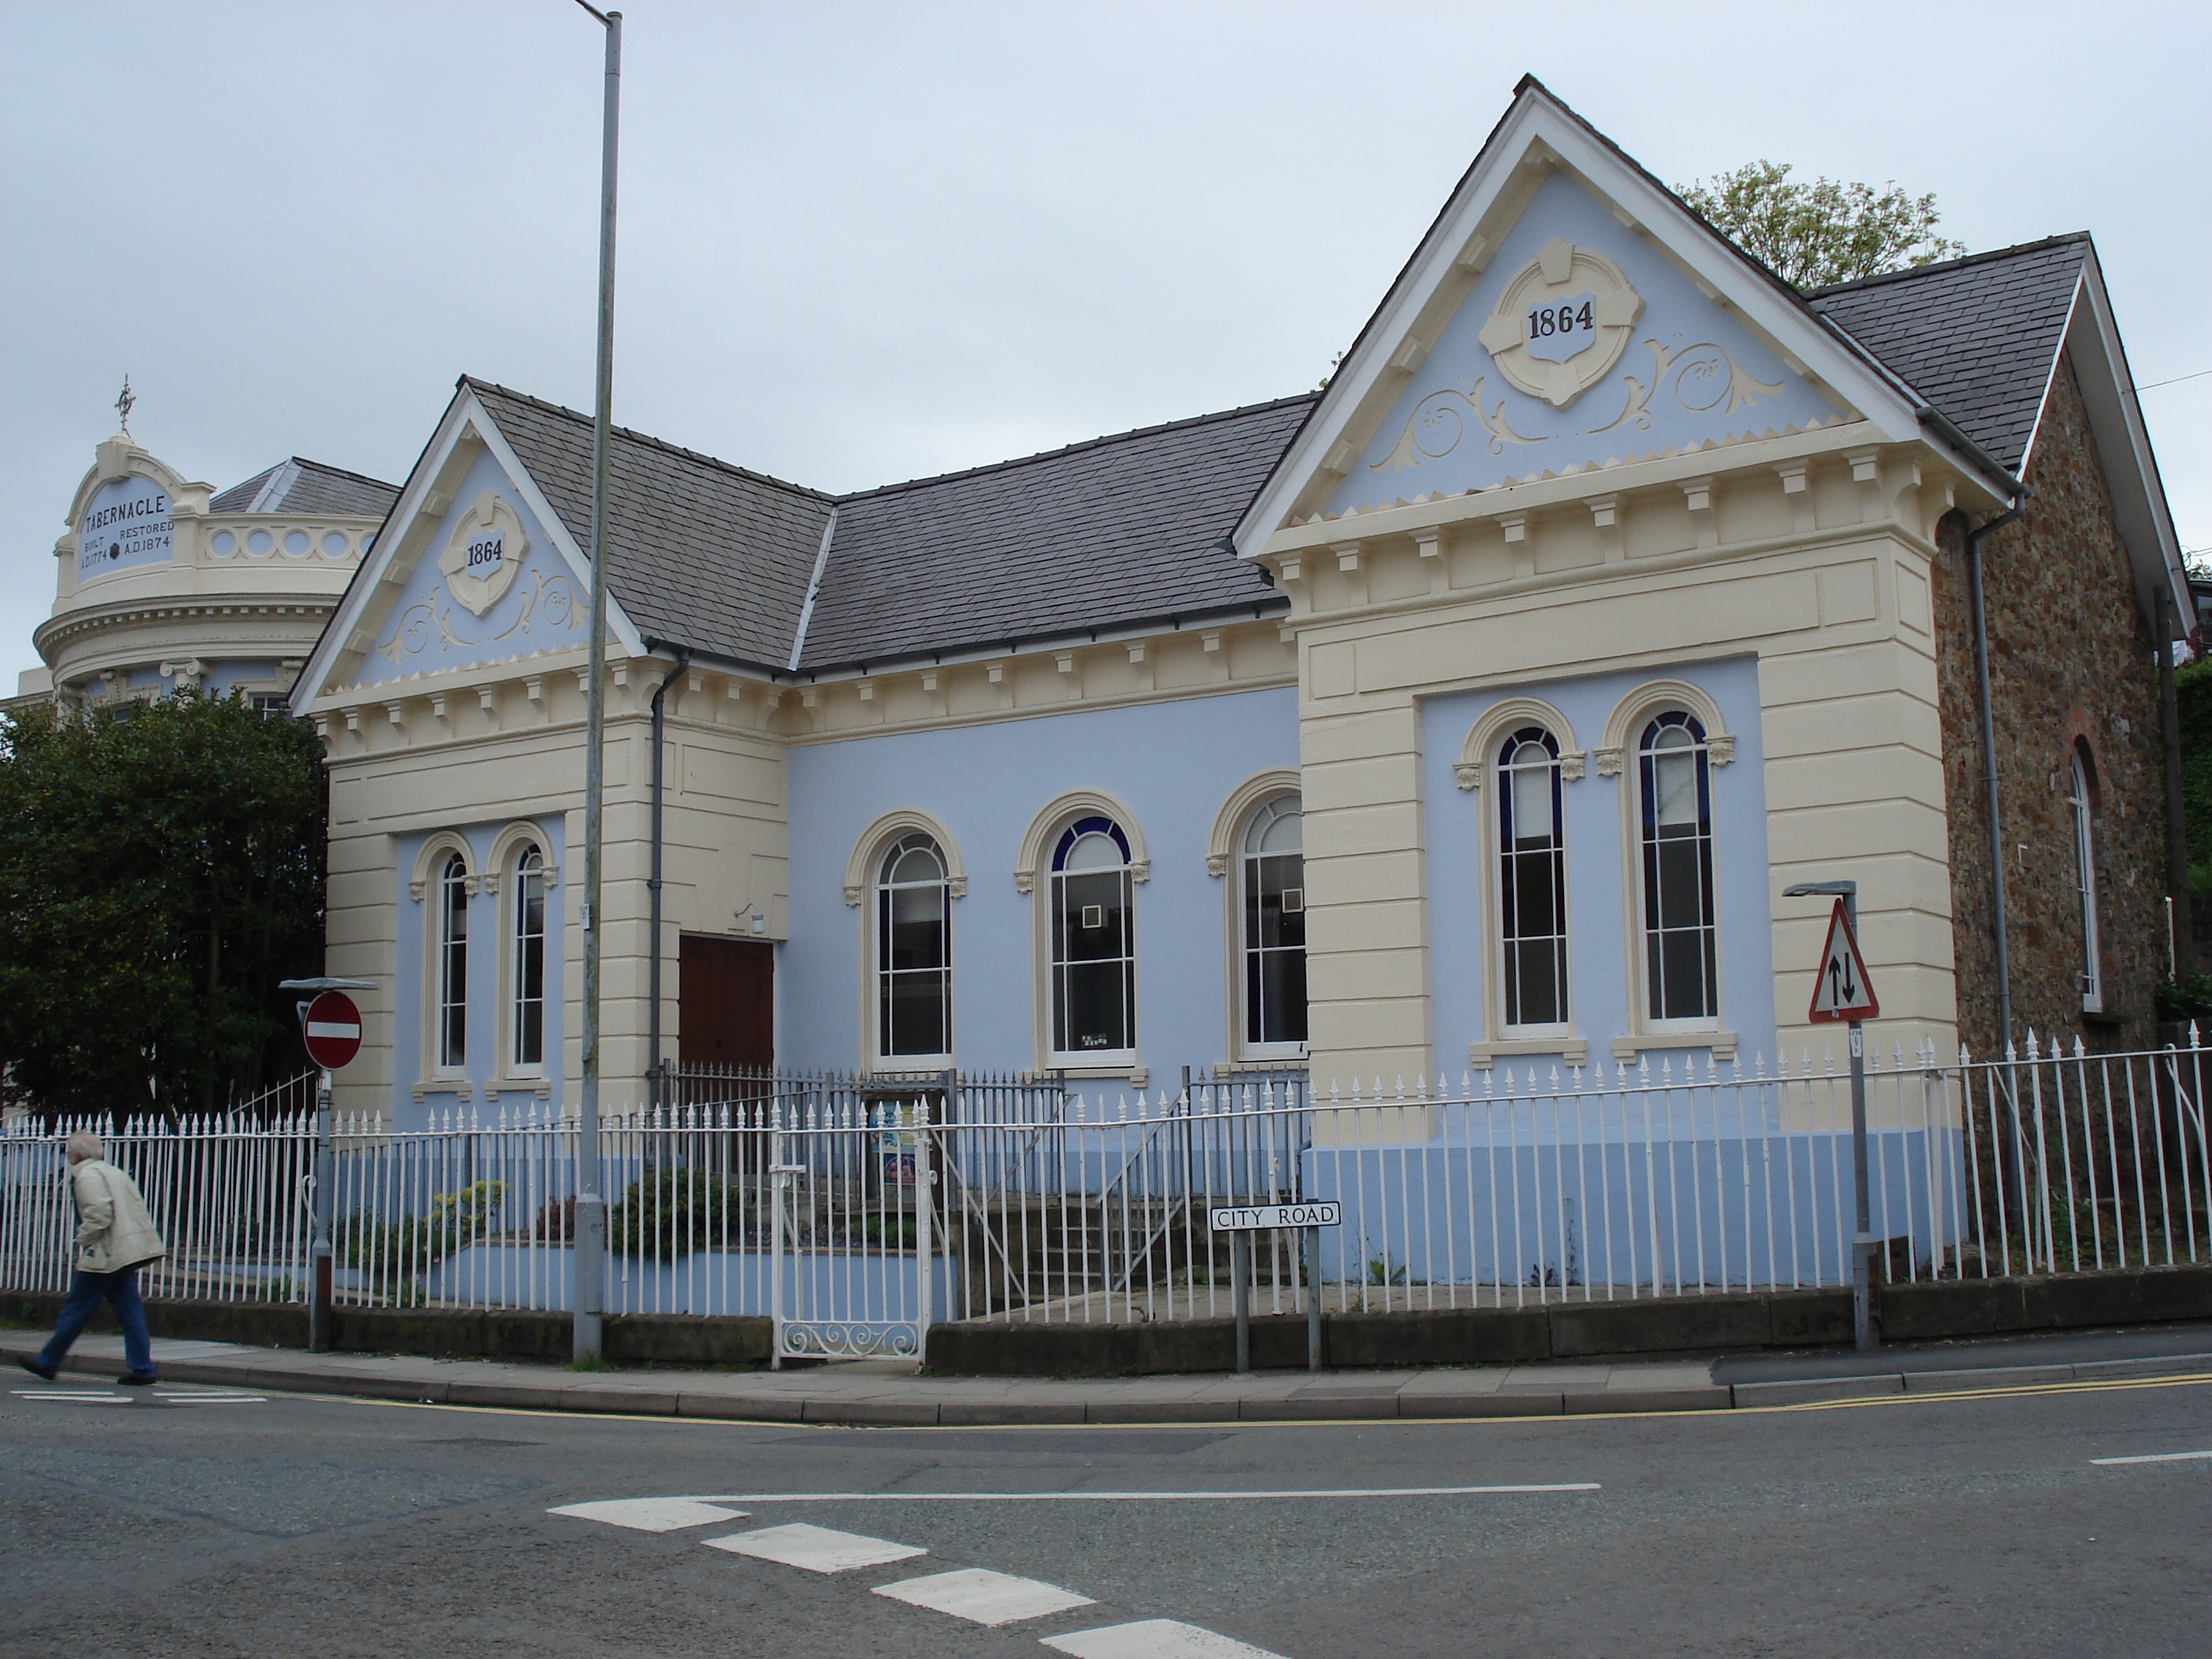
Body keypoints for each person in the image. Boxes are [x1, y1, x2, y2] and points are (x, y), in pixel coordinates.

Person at [16, 1132, 167, 1385]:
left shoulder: (86, 1176)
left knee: (76, 1310)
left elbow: (99, 1214)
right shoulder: (113, 1172)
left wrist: (82, 1239)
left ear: (76, 1154)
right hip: (123, 1251)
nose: (66, 1156)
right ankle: (142, 1368)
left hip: (104, 1254)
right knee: (131, 1314)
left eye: (68, 1151)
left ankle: (48, 1361)